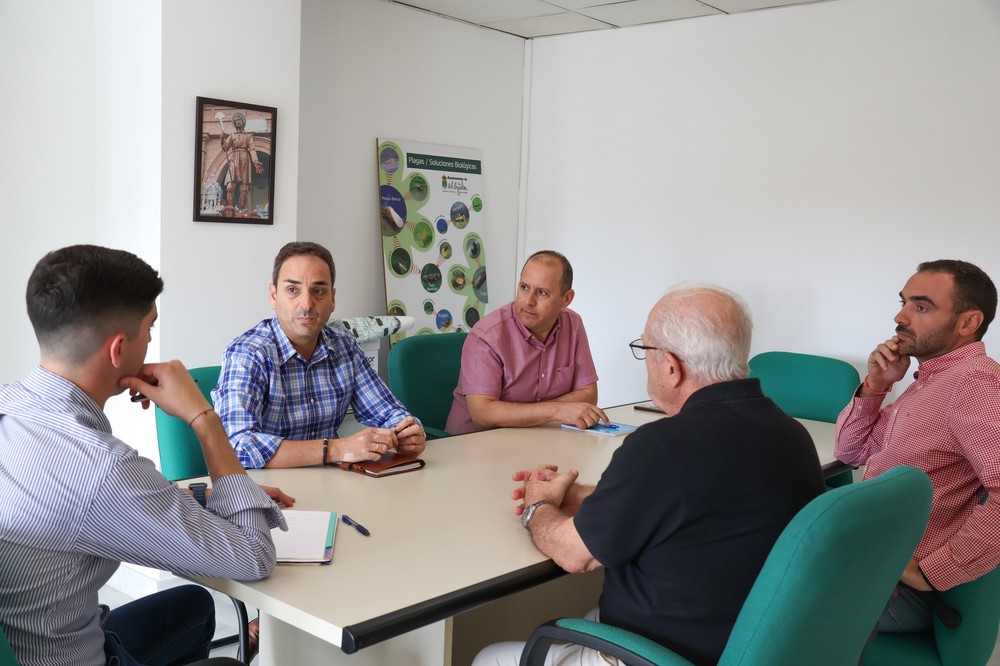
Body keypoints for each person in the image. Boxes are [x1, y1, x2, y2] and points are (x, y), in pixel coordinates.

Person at [473, 284, 826, 666]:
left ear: (672, 367)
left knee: (489, 658)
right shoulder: (791, 435)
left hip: (661, 653)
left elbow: (574, 555)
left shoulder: (662, 447)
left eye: (646, 351)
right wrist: (578, 494)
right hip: (750, 641)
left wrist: (537, 504)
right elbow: (691, 500)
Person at [0, 244, 292, 666]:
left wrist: (209, 500)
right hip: (75, 656)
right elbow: (253, 555)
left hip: (45, 636)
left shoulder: (12, 405)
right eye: (151, 327)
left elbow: (98, 505)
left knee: (193, 606)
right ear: (118, 350)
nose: (154, 340)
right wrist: (202, 416)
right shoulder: (101, 469)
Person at [835, 259, 1000, 633]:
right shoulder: (930, 382)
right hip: (873, 560)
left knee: (747, 584)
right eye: (904, 302)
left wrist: (931, 570)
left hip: (903, 592)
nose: (901, 317)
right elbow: (850, 453)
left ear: (968, 323)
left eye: (921, 307)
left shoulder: (974, 385)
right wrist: (876, 386)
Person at [213, 241, 426, 469]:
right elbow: (236, 447)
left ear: (332, 299)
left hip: (329, 482)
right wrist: (337, 448)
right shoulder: (248, 353)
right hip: (264, 490)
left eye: (319, 291)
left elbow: (387, 412)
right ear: (273, 296)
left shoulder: (345, 345)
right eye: (293, 290)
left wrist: (408, 433)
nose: (306, 304)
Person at [446, 250, 606, 435]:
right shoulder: (486, 336)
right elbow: (483, 415)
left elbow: (588, 394)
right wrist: (557, 410)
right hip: (475, 445)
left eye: (542, 293)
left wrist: (526, 413)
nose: (528, 301)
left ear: (566, 299)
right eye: (524, 287)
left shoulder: (573, 324)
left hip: (539, 437)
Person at [220, 111, 264, 213]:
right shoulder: (232, 135)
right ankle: (231, 209)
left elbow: (252, 149)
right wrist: (222, 138)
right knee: (230, 186)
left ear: (243, 122)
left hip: (244, 159)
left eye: (239, 120)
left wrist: (255, 161)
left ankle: (240, 211)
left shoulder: (248, 136)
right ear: (234, 123)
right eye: (236, 121)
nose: (238, 122)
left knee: (244, 188)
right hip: (234, 159)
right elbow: (225, 148)